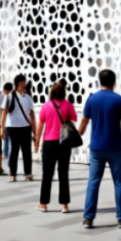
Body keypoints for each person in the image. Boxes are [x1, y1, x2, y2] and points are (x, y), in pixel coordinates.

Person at [78, 69, 121, 229]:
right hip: (115, 147)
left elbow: (84, 122)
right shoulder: (119, 100)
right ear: (114, 82)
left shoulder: (92, 99)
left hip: (96, 148)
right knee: (119, 182)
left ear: (99, 81)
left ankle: (88, 218)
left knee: (93, 182)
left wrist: (77, 135)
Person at [35, 81, 76, 212]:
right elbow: (73, 118)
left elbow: (41, 124)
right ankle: (64, 204)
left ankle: (43, 203)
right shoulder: (68, 105)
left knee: (47, 173)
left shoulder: (46, 106)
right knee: (63, 173)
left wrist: (37, 139)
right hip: (64, 143)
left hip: (49, 142)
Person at [0, 75, 35, 182]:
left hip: (26, 127)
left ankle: (28, 173)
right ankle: (13, 174)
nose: (24, 84)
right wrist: (1, 128)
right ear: (18, 83)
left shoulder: (28, 97)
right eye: (22, 82)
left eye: (24, 82)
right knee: (14, 151)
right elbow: (4, 112)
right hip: (12, 127)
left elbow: (31, 114)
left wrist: (34, 129)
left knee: (27, 152)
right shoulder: (9, 96)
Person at [1, 82, 13, 161]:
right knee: (8, 139)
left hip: (5, 122)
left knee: (6, 139)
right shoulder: (9, 97)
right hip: (7, 122)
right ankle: (7, 155)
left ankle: (6, 155)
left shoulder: (3, 97)